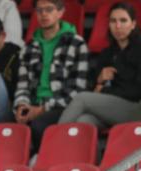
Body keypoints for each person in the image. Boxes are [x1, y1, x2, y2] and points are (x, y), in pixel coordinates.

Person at [58, 2, 141, 128]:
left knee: (82, 98)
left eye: (123, 20)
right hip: (113, 108)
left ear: (133, 24)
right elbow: (93, 86)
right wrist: (99, 80)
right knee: (84, 121)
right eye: (113, 21)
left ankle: (53, 142)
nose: (118, 26)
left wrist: (104, 90)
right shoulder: (107, 52)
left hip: (137, 108)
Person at [13, 0, 89, 151]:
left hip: (62, 106)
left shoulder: (77, 44)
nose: (44, 14)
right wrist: (21, 105)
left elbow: (77, 92)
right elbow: (22, 87)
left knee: (39, 125)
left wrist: (43, 109)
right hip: (34, 106)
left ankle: (42, 161)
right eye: (39, 10)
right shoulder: (28, 48)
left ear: (60, 12)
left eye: (49, 9)